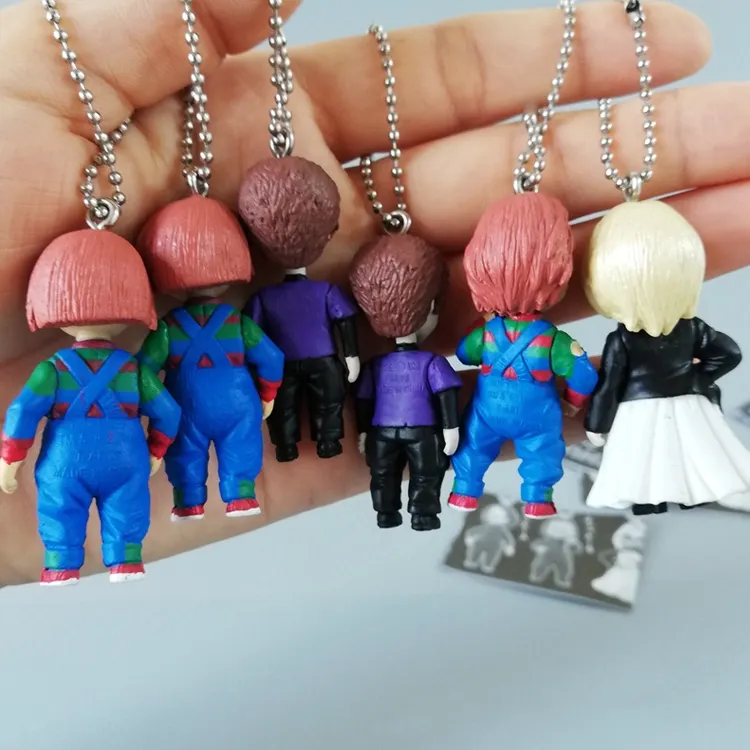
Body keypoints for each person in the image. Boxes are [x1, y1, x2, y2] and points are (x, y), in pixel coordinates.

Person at [0, 0, 746, 586]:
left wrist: (197, 420)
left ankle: (193, 506)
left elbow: (180, 385)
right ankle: (190, 514)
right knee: (475, 449)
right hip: (282, 400)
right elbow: (554, 376)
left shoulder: (156, 341)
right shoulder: (522, 340)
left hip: (330, 406)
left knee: (447, 453)